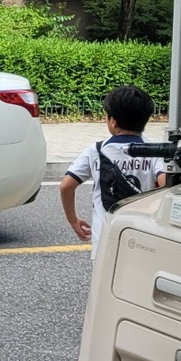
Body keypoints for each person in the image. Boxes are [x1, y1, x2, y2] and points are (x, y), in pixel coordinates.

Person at [60, 84, 166, 255]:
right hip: (142, 237)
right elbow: (165, 184)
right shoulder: (154, 150)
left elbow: (66, 186)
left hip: (105, 237)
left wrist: (73, 220)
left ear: (113, 121)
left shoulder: (96, 150)